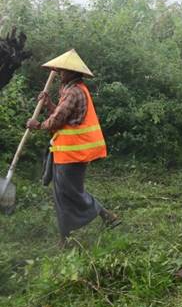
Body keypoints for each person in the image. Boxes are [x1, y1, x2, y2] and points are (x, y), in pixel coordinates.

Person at [25, 49, 119, 248]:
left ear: (73, 72)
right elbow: (63, 116)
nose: (60, 73)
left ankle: (104, 215)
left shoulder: (74, 92)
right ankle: (66, 237)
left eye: (63, 70)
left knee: (70, 193)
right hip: (66, 152)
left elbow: (57, 121)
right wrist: (49, 104)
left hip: (73, 153)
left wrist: (38, 125)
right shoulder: (70, 89)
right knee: (63, 195)